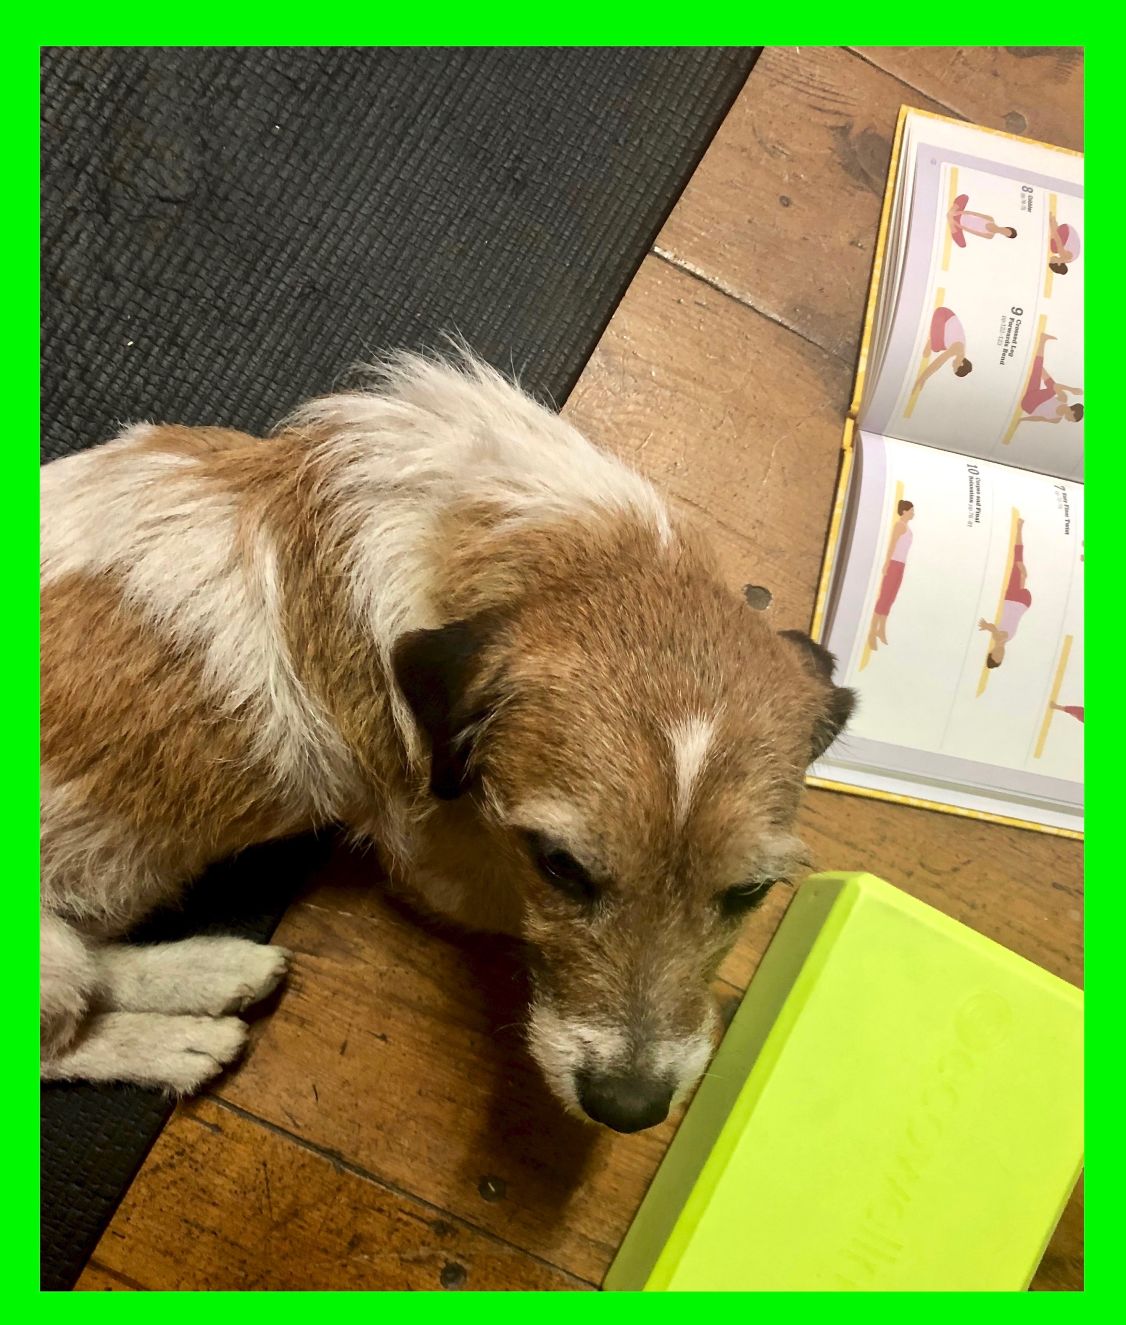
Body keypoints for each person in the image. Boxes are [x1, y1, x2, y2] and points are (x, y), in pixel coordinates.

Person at [979, 518, 1031, 669]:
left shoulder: (1000, 638)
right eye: (1001, 658)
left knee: (1018, 560)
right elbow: (997, 632)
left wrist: (988, 627)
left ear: (991, 652)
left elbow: (996, 630)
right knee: (1018, 561)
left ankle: (1019, 528)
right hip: (1016, 599)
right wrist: (988, 627)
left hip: (1018, 600)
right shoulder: (1001, 638)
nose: (1000, 654)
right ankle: (1019, 528)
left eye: (996, 655)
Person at [868, 500, 915, 651]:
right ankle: (872, 632)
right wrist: (886, 563)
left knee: (891, 598)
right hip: (894, 564)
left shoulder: (907, 528)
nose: (913, 513)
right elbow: (892, 544)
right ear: (904, 511)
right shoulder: (899, 526)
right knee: (884, 597)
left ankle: (881, 629)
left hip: (901, 565)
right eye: (911, 511)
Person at [1016, 331, 1083, 428]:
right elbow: (1039, 418)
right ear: (1072, 412)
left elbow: (1039, 418)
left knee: (1053, 388)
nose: (1069, 421)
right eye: (1071, 419)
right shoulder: (1063, 400)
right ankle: (1042, 343)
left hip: (1029, 405)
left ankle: (1039, 367)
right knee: (1039, 372)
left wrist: (1022, 420)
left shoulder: (1056, 419)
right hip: (1031, 398)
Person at [913, 307, 972, 395]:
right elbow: (939, 362)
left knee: (936, 349)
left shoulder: (959, 351)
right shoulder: (958, 349)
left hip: (945, 318)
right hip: (942, 314)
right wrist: (923, 378)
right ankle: (932, 341)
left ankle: (932, 341)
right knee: (935, 347)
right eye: (954, 368)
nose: (952, 366)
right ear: (961, 364)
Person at [948, 194, 1017, 247]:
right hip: (961, 214)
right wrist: (960, 213)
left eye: (1006, 234)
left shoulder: (990, 236)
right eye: (1007, 231)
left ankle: (950, 218)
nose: (1005, 232)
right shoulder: (991, 219)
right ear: (1006, 227)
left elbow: (973, 231)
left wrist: (958, 225)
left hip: (960, 225)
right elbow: (974, 214)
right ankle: (951, 216)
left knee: (962, 244)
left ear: (1005, 236)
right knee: (965, 197)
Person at [1048, 210, 1081, 275]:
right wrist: (1051, 224)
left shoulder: (1068, 259)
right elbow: (1058, 240)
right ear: (1058, 263)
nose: (1050, 258)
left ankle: (1054, 224)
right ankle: (1054, 223)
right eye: (1052, 261)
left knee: (1054, 248)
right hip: (1067, 231)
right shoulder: (1065, 257)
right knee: (1054, 248)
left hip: (1068, 231)